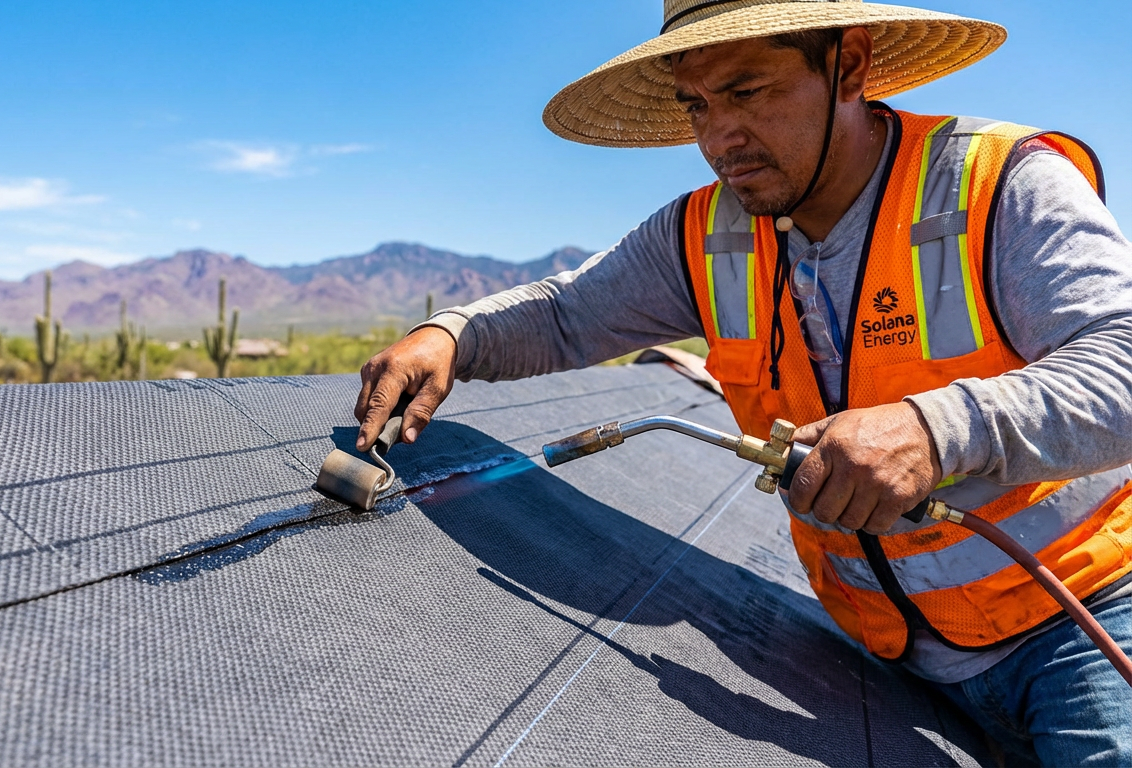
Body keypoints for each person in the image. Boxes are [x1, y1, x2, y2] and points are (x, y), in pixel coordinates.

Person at [352, 0, 1132, 764]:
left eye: (747, 92)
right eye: (697, 106)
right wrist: (453, 332)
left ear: (849, 65)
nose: (719, 139)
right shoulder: (707, 235)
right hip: (887, 656)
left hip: (1086, 623)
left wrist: (933, 431)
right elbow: (566, 315)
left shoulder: (995, 185)